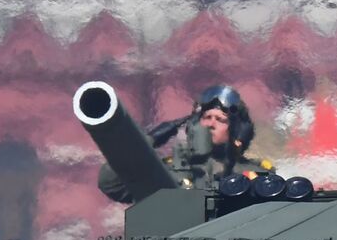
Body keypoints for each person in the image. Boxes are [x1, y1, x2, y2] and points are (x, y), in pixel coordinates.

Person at [97, 84, 273, 203]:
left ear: (236, 131)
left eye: (220, 120)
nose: (210, 124)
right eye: (206, 118)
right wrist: (148, 140)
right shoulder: (166, 173)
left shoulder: (255, 176)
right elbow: (111, 183)